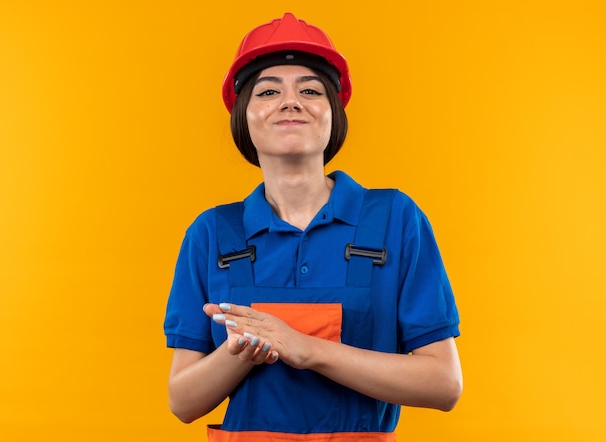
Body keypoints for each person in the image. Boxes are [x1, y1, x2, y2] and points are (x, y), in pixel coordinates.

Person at [164, 12, 462, 442]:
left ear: (332, 114)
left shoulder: (394, 218)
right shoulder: (212, 232)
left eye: (310, 89)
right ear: (244, 116)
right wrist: (244, 351)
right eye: (268, 91)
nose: (291, 101)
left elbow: (444, 384)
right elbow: (182, 402)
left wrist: (306, 348)